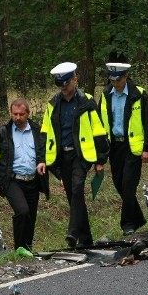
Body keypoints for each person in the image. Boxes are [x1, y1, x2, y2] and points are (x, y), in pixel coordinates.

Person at [37, 62, 109, 248]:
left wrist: (101, 160)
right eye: (59, 84)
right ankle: (87, 241)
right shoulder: (53, 104)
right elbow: (45, 133)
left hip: (81, 155)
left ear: (75, 80)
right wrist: (42, 159)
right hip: (61, 157)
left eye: (66, 83)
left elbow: (99, 131)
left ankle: (72, 233)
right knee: (73, 197)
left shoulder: (86, 101)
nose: (63, 87)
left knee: (77, 189)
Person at [98, 63, 148, 235]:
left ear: (126, 76)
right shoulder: (105, 95)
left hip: (133, 146)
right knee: (119, 184)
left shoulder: (138, 94)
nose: (115, 83)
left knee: (128, 185)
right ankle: (138, 218)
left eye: (118, 80)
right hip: (114, 146)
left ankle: (127, 224)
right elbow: (99, 123)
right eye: (112, 80)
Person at [0, 98, 49, 251]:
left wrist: (44, 163)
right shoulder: (2, 132)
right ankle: (19, 248)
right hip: (12, 180)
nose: (18, 117)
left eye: (21, 114)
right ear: (11, 113)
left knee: (31, 216)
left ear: (28, 113)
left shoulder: (38, 130)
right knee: (22, 211)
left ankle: (28, 248)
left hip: (33, 180)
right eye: (15, 114)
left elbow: (44, 153)